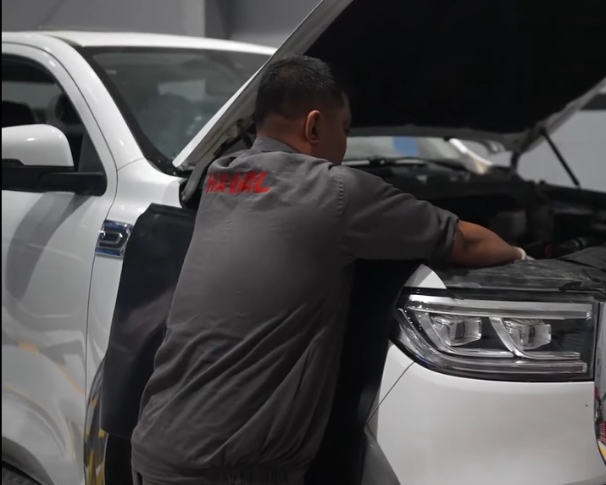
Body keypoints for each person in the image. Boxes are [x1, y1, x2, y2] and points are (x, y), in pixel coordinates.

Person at [129, 55, 526, 485]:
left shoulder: (221, 179)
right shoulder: (336, 191)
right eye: (346, 129)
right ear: (315, 126)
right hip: (231, 472)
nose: (345, 145)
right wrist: (524, 254)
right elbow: (465, 241)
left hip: (157, 446)